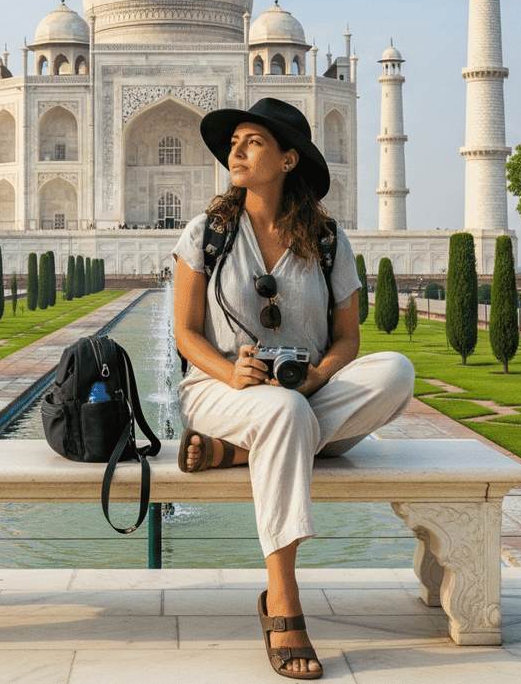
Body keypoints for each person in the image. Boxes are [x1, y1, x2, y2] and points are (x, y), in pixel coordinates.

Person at [170, 97, 413, 680]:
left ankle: (240, 454)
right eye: (235, 141)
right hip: (218, 388)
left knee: (396, 371)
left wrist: (319, 376)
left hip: (304, 392)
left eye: (253, 141)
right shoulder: (208, 232)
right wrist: (233, 372)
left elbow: (349, 340)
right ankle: (282, 595)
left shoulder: (326, 239)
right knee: (282, 413)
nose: (236, 149)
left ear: (287, 160)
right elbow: (185, 333)